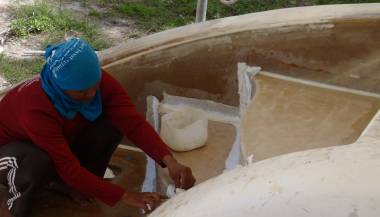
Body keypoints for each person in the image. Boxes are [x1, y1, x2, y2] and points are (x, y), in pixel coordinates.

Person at [0, 38, 195, 217]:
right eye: (82, 91)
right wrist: (124, 195)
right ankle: (11, 206)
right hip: (10, 155)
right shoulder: (35, 108)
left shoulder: (98, 82)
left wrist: (169, 161)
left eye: (95, 84)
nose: (92, 94)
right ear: (61, 87)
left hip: (49, 145)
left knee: (112, 123)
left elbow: (132, 123)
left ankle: (74, 185)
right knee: (38, 161)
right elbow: (67, 165)